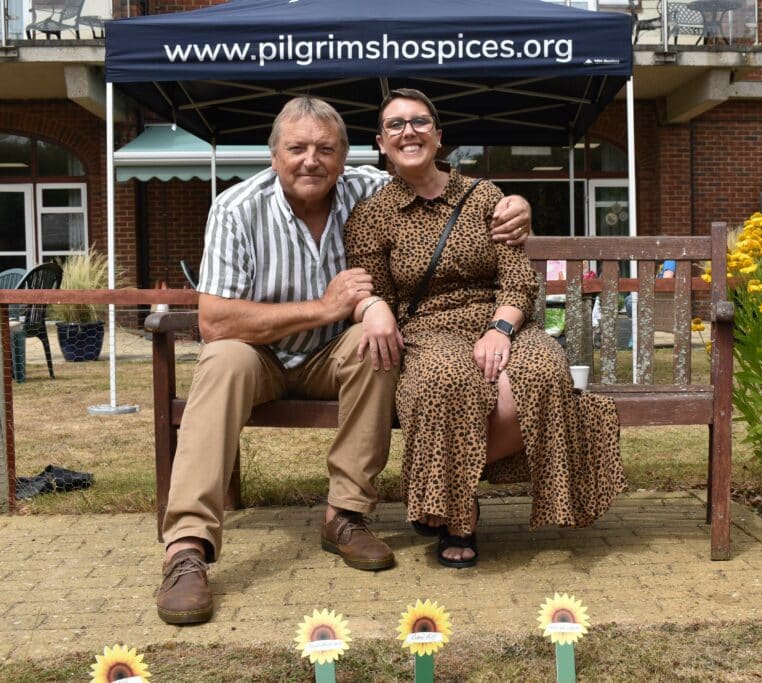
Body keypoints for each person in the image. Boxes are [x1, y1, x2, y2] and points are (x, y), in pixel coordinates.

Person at [155, 96, 531, 625]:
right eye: (297, 148)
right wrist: (325, 307)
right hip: (257, 356)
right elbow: (215, 320)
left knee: (374, 343)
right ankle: (187, 549)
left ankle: (346, 515)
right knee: (220, 361)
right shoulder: (236, 208)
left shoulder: (368, 190)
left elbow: (441, 187)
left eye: (325, 149)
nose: (311, 160)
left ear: (346, 155)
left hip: (332, 355)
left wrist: (513, 204)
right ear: (273, 155)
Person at [345, 89, 625, 569]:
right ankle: (460, 515)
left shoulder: (484, 197)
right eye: (395, 125)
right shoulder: (373, 215)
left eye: (419, 122)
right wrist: (373, 308)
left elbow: (518, 279)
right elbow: (375, 296)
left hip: (501, 319)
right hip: (427, 330)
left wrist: (500, 328)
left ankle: (448, 493)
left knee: (542, 372)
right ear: (380, 141)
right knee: (445, 382)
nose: (408, 131)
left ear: (439, 136)